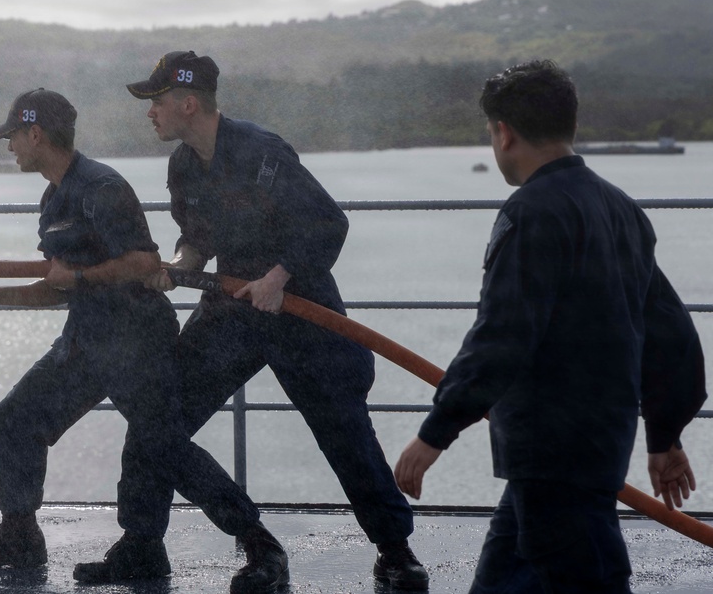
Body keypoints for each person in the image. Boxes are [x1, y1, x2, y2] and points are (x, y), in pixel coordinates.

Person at [77, 51, 429, 591]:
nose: (149, 112)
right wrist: (181, 265)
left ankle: (395, 553)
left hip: (300, 306)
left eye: (156, 102)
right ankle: (174, 545)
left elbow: (327, 223)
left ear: (187, 103)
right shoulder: (183, 164)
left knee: (345, 434)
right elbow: (197, 236)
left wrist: (280, 275)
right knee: (158, 419)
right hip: (233, 307)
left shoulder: (261, 152)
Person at [0, 88, 289, 593]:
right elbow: (58, 286)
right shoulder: (54, 197)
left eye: (13, 136)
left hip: (135, 340)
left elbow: (144, 263)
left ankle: (262, 546)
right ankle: (25, 536)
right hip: (88, 340)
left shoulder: (101, 187)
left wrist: (80, 281)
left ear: (35, 133)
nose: (10, 146)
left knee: (161, 447)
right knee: (14, 422)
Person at [394, 60, 707, 593]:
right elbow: (672, 333)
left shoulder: (533, 212)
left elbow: (502, 335)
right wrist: (664, 432)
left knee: (590, 579)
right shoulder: (622, 209)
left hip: (551, 449)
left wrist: (435, 433)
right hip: (594, 444)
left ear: (504, 131)